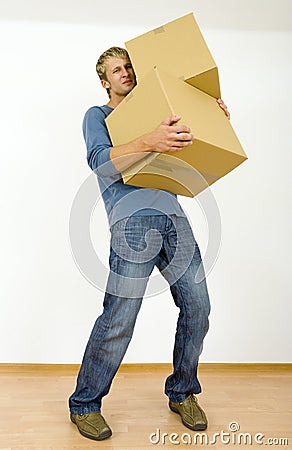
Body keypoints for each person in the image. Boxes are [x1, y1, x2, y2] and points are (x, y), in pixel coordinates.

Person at [69, 46, 230, 441]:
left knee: (199, 308)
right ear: (105, 81)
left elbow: (190, 150)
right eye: (116, 70)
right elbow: (101, 162)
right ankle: (85, 404)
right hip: (132, 226)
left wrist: (213, 119)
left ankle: (182, 392)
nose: (125, 72)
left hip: (175, 219)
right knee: (120, 317)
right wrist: (150, 139)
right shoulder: (99, 115)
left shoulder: (157, 113)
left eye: (129, 66)